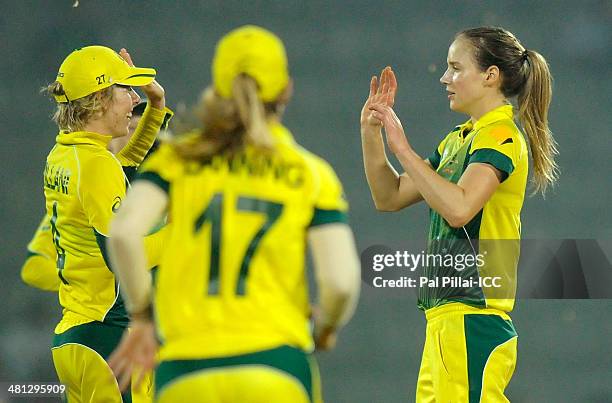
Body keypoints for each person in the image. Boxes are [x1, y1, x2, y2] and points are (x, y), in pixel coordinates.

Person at [107, 25, 361, 403]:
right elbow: (340, 283)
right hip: (276, 364)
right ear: (286, 89)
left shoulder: (178, 159)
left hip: (185, 368)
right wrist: (325, 325)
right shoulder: (309, 173)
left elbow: (124, 232)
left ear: (219, 86)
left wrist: (143, 318)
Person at [360, 27, 558, 401]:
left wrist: (404, 150)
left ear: (490, 75)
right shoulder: (458, 139)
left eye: (455, 68)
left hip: (474, 318)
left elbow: (459, 208)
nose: (445, 78)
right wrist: (371, 134)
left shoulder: (501, 135)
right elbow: (390, 196)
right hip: (444, 320)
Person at [43, 45, 169, 402]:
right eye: (125, 90)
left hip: (76, 339)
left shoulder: (66, 152)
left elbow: (122, 168)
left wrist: (156, 107)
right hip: (108, 338)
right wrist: (184, 232)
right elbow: (121, 255)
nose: (134, 100)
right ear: (98, 99)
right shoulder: (96, 164)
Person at [22, 101, 172, 293]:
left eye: (146, 131)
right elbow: (34, 266)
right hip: (109, 313)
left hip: (164, 313)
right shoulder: (87, 188)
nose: (138, 137)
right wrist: (88, 285)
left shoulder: (169, 189)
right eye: (132, 128)